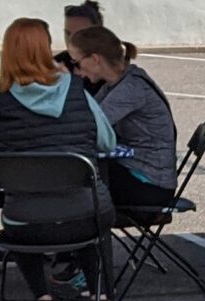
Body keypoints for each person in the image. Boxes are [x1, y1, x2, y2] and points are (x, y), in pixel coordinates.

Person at [0, 17, 117, 301]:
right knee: (84, 208)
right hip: (85, 214)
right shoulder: (75, 88)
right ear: (45, 50)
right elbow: (107, 141)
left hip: (26, 221)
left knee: (27, 218)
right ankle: (101, 299)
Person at [68, 26, 177, 192]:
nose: (77, 71)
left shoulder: (130, 89)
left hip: (150, 180)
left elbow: (90, 127)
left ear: (95, 59)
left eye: (77, 63)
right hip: (140, 168)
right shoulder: (118, 82)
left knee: (74, 183)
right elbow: (86, 114)